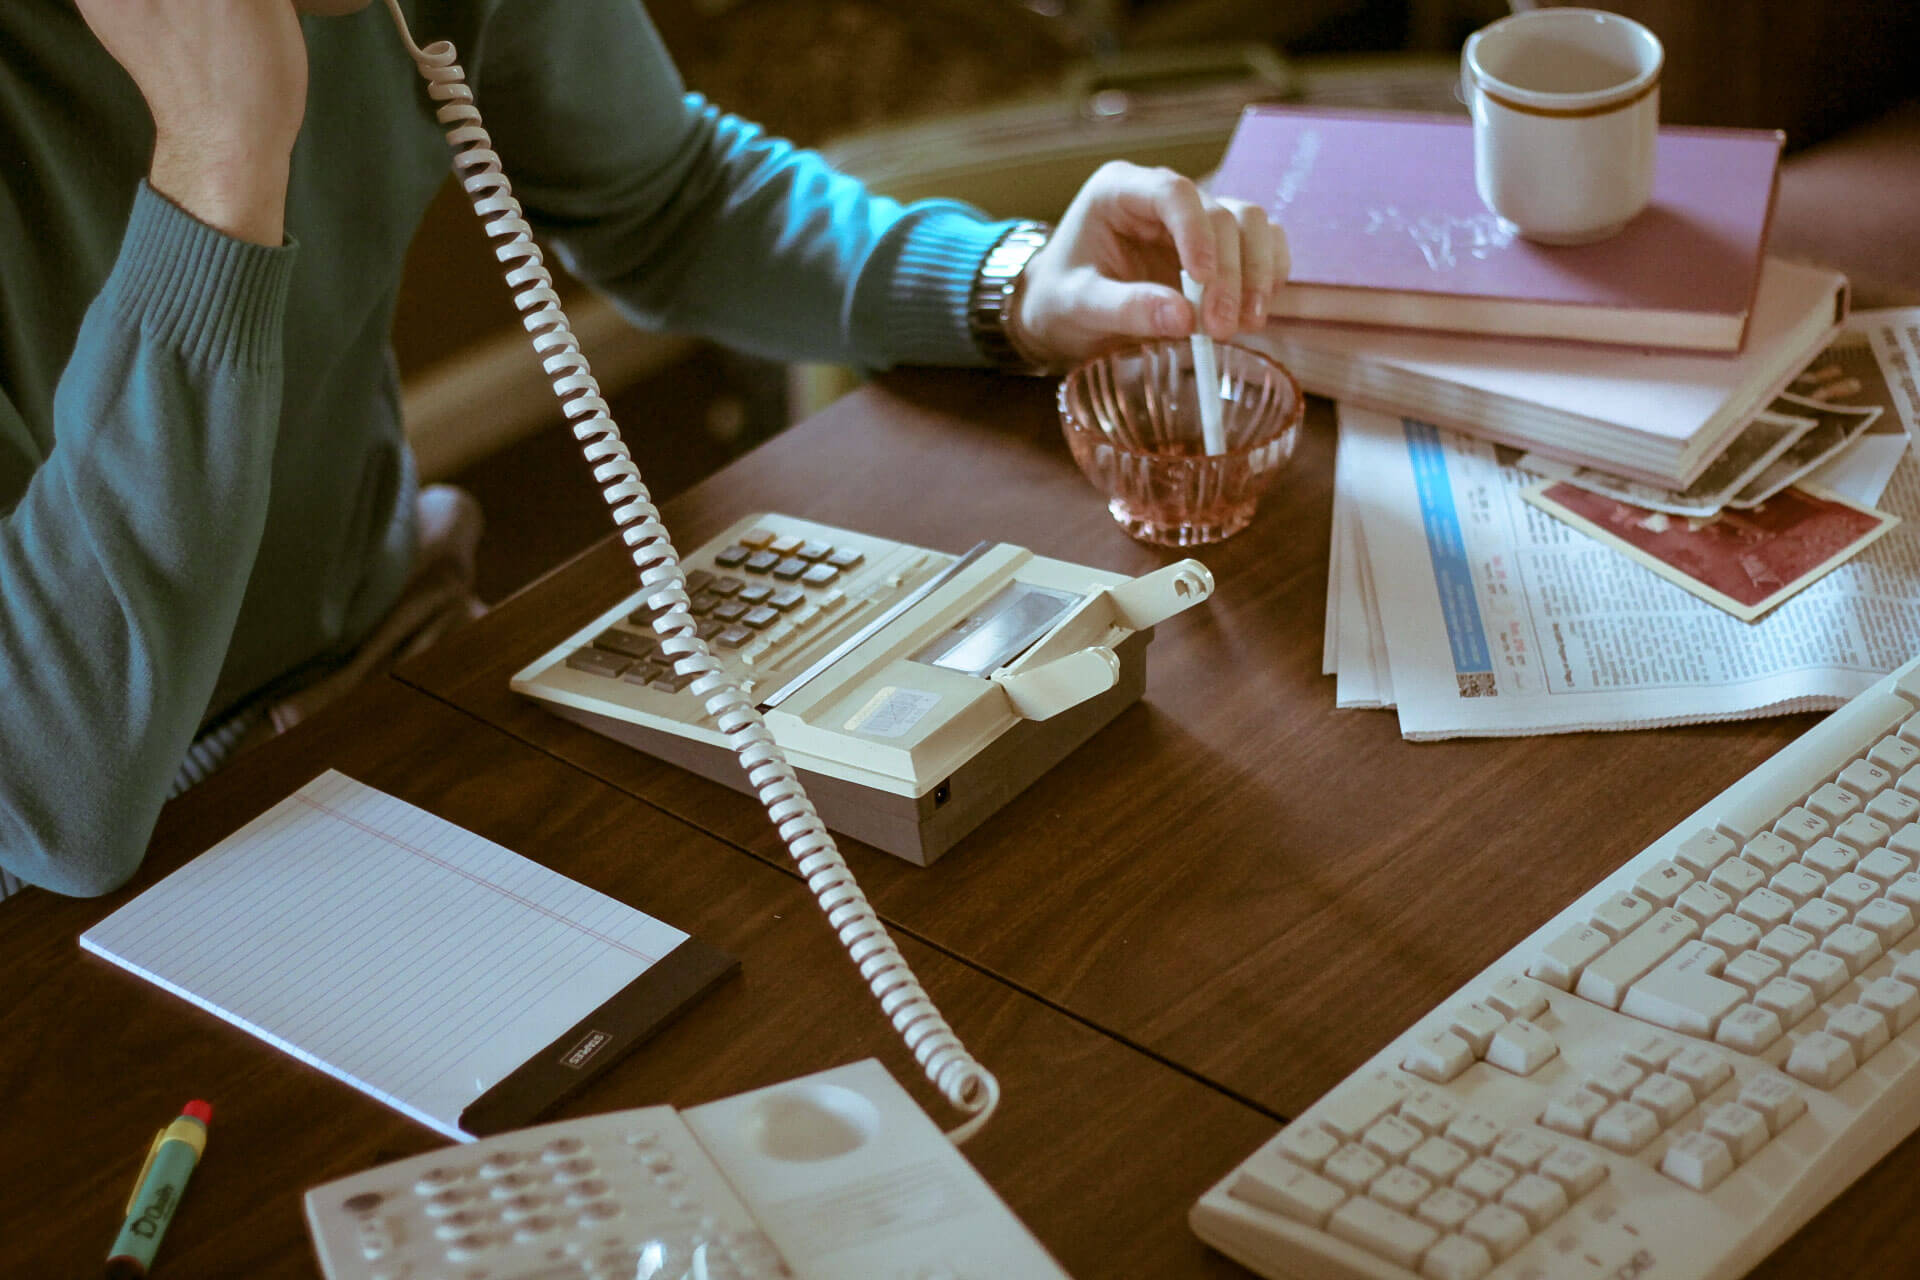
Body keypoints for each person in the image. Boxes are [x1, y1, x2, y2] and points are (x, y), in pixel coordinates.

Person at [0, 0, 1288, 901]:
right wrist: (221, 164)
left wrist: (1005, 288)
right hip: (76, 839)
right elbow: (53, 791)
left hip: (375, 666)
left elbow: (665, 197)